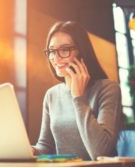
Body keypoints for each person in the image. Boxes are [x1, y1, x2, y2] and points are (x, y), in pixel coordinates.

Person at [32, 21, 122, 161]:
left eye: (64, 50)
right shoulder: (52, 95)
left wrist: (78, 97)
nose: (55, 58)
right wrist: (28, 150)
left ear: (82, 51)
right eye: (51, 51)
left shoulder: (108, 88)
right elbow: (45, 146)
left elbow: (100, 153)